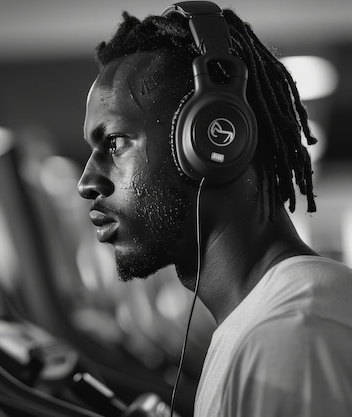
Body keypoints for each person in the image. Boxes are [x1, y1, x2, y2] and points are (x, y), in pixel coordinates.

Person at [77, 2, 352, 416]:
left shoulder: (291, 337)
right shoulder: (262, 320)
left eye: (114, 143)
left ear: (212, 141)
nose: (86, 182)